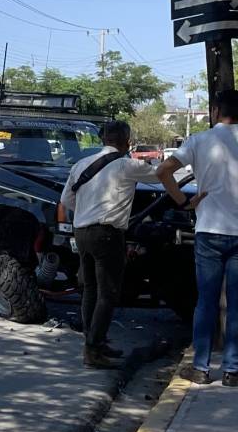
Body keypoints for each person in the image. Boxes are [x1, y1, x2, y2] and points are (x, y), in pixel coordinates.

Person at [156, 89, 237, 386]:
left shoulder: (199, 141)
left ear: (215, 111)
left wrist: (182, 201)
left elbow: (163, 171)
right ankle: (233, 370)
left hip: (210, 231)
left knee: (206, 301)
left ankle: (201, 368)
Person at [63, 121, 159, 368]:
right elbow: (161, 175)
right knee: (108, 293)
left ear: (103, 139)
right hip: (107, 235)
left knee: (91, 290)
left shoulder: (81, 164)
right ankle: (92, 350)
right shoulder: (128, 165)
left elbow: (67, 200)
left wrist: (87, 212)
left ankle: (95, 341)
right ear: (127, 140)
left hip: (81, 232)